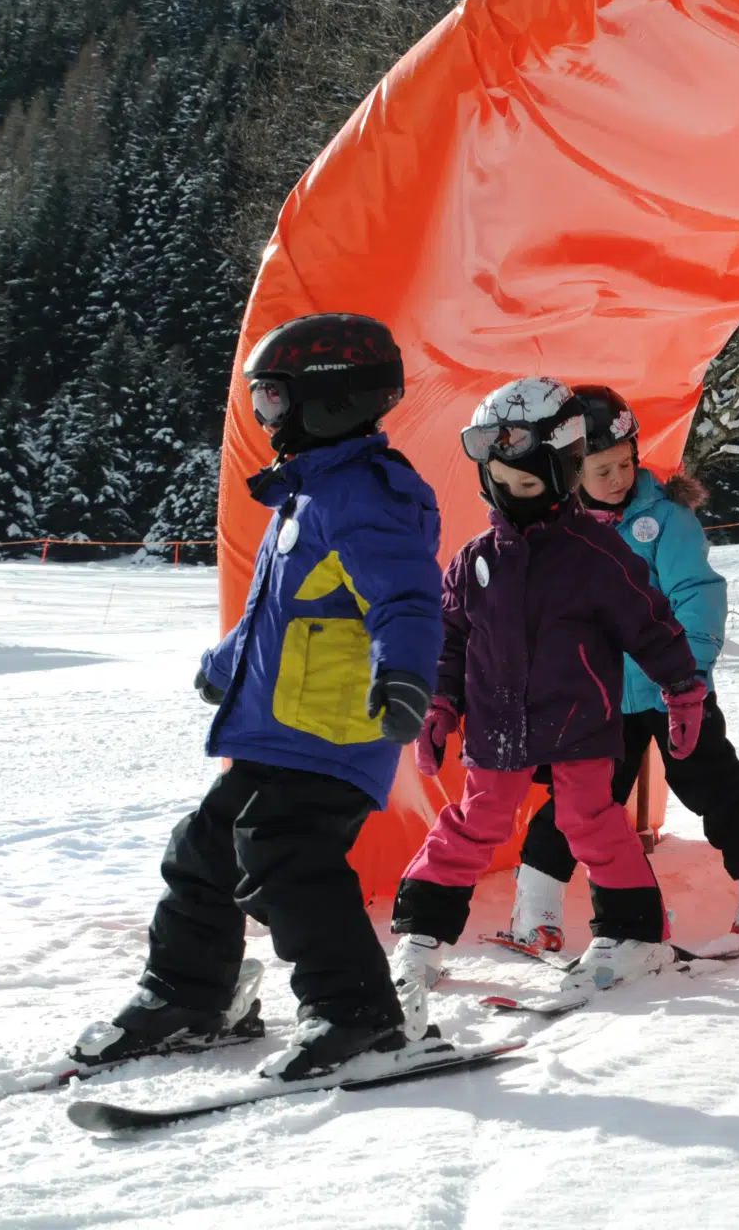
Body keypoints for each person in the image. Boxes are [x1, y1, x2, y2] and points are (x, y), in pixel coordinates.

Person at [71, 313, 444, 1083]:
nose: (265, 417)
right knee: (203, 851)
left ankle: (361, 1015)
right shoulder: (305, 494)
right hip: (278, 727)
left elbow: (406, 598)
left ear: (331, 401)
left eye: (274, 400)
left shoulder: (368, 496)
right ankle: (191, 994)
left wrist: (405, 673)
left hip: (340, 727)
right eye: (260, 401)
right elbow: (275, 610)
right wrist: (227, 663)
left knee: (287, 857)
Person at [385, 378, 708, 1027]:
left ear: (560, 473)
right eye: (500, 479)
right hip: (499, 726)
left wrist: (682, 689)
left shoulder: (595, 553)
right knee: (475, 822)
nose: (512, 492)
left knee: (592, 822)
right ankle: (421, 932)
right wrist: (440, 703)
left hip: (578, 720)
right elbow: (450, 637)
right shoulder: (476, 562)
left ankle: (636, 933)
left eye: (527, 482)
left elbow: (651, 623)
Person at [496, 386, 739, 959]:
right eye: (601, 469)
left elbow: (697, 594)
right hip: (598, 701)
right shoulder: (559, 532)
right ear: (569, 470)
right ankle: (533, 909)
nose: (617, 478)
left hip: (673, 693)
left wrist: (686, 675)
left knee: (714, 786)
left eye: (625, 464)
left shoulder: (665, 521)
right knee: (578, 802)